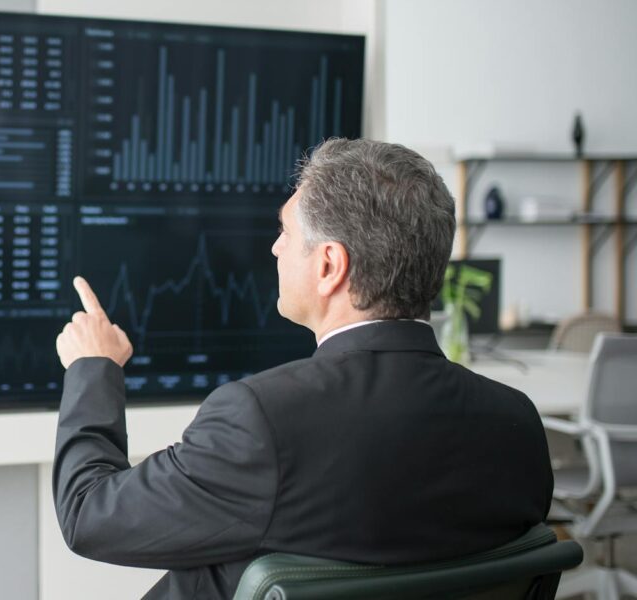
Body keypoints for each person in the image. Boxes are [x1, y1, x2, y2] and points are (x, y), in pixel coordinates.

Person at [52, 138, 553, 600]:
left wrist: (92, 367)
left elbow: (89, 515)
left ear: (330, 266)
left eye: (285, 232)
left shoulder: (261, 422)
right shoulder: (518, 425)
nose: (274, 248)